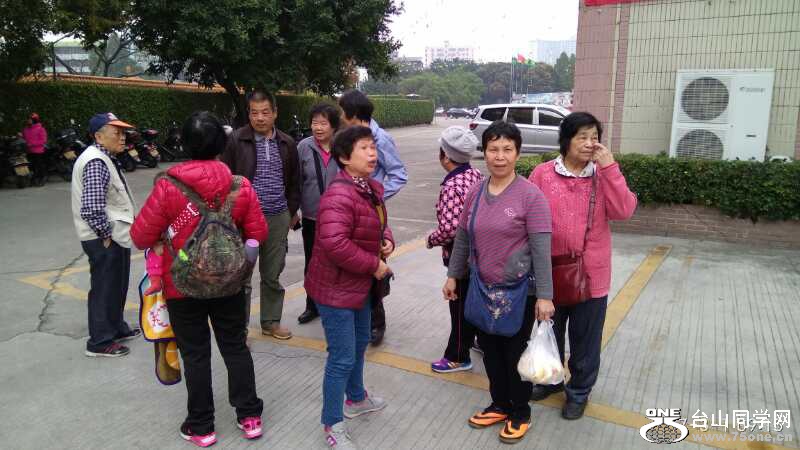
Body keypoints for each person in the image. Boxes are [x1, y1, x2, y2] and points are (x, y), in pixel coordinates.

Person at [131, 112, 269, 447]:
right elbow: (259, 232)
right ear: (222, 144)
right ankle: (249, 416)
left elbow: (140, 236)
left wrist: (170, 236)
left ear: (184, 144)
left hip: (182, 286)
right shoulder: (239, 186)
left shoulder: (168, 186)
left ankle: (202, 426)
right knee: (235, 347)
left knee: (195, 355)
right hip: (230, 284)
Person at [443, 121, 554, 444]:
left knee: (513, 353)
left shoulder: (531, 196)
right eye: (493, 149)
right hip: (481, 287)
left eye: (507, 149)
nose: (500, 156)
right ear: (485, 152)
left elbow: (541, 250)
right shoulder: (476, 192)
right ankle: (500, 404)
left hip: (520, 292)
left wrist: (545, 296)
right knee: (490, 352)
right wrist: (453, 275)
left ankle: (520, 411)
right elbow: (463, 237)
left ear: (518, 153)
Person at [528, 112, 637, 420]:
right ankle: (549, 381)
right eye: (583, 137)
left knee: (585, 340)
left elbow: (624, 210)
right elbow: (528, 217)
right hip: (550, 273)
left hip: (591, 275)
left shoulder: (603, 175)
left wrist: (610, 168)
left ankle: (578, 392)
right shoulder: (542, 174)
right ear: (566, 140)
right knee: (548, 332)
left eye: (595, 137)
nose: (590, 144)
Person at [304, 125, 393, 449]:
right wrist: (374, 264)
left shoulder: (369, 188)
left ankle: (355, 398)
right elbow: (334, 243)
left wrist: (386, 240)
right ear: (344, 157)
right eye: (364, 148)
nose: (372, 154)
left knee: (359, 343)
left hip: (358, 286)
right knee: (341, 357)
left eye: (373, 147)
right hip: (335, 289)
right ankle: (332, 423)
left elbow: (379, 224)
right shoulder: (339, 195)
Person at [221, 89, 301, 340]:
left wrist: (290, 213)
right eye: (254, 113)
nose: (260, 118)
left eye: (265, 112)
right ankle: (239, 328)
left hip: (277, 217)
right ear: (249, 114)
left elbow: (295, 182)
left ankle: (271, 321)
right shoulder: (236, 140)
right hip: (244, 219)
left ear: (275, 113)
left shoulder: (287, 143)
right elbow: (225, 177)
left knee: (272, 274)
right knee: (241, 276)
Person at [338, 89, 408, 345]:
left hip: (370, 215)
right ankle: (355, 319)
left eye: (342, 111)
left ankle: (377, 323)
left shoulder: (381, 139)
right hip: (349, 211)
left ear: (353, 114)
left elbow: (399, 174)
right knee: (352, 266)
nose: (340, 116)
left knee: (373, 268)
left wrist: (374, 196)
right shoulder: (346, 137)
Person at [70, 112, 141, 357]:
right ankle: (100, 341)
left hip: (115, 234)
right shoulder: (95, 161)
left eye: (123, 133)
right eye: (116, 133)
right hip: (103, 237)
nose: (122, 137)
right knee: (104, 288)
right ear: (99, 136)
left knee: (116, 285)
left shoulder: (106, 158)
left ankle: (116, 327)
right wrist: (106, 235)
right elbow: (91, 207)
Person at [426, 126, 483, 373]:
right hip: (480, 254)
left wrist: (431, 239)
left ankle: (458, 355)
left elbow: (449, 229)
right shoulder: (476, 174)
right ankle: (480, 339)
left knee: (459, 308)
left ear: (446, 156)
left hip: (460, 258)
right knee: (475, 299)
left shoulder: (452, 186)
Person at [296, 103, 341, 325]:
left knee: (337, 263)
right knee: (312, 262)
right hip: (312, 217)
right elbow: (296, 181)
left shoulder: (343, 146)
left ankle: (335, 304)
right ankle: (312, 305)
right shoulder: (303, 147)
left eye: (323, 123)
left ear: (334, 126)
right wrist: (294, 210)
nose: (318, 128)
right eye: (315, 123)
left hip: (339, 219)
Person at [22, 113, 48, 186]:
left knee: (39, 165)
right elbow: (24, 139)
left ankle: (42, 178)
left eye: (29, 119)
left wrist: (32, 144)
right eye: (28, 119)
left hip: (38, 151)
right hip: (28, 151)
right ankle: (33, 179)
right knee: (31, 166)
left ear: (34, 120)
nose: (28, 120)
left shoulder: (40, 129)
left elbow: (43, 140)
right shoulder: (25, 129)